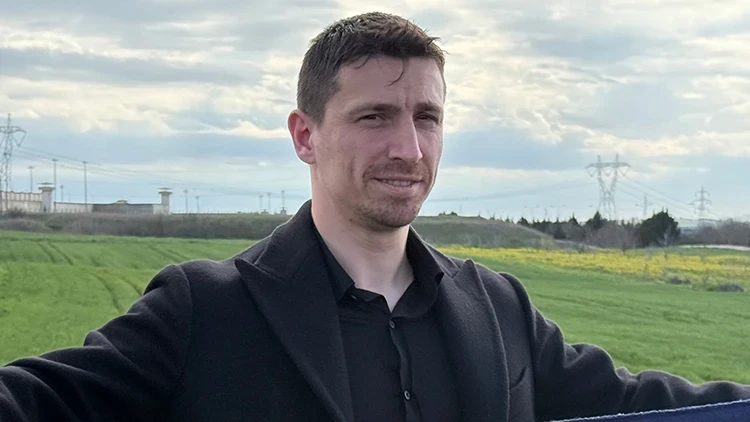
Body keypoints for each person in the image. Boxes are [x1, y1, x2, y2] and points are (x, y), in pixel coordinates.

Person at [1, 11, 748, 422]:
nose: (408, 148)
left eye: (427, 117)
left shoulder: (498, 307)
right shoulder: (204, 310)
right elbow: (37, 402)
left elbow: (642, 404)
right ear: (305, 136)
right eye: (374, 116)